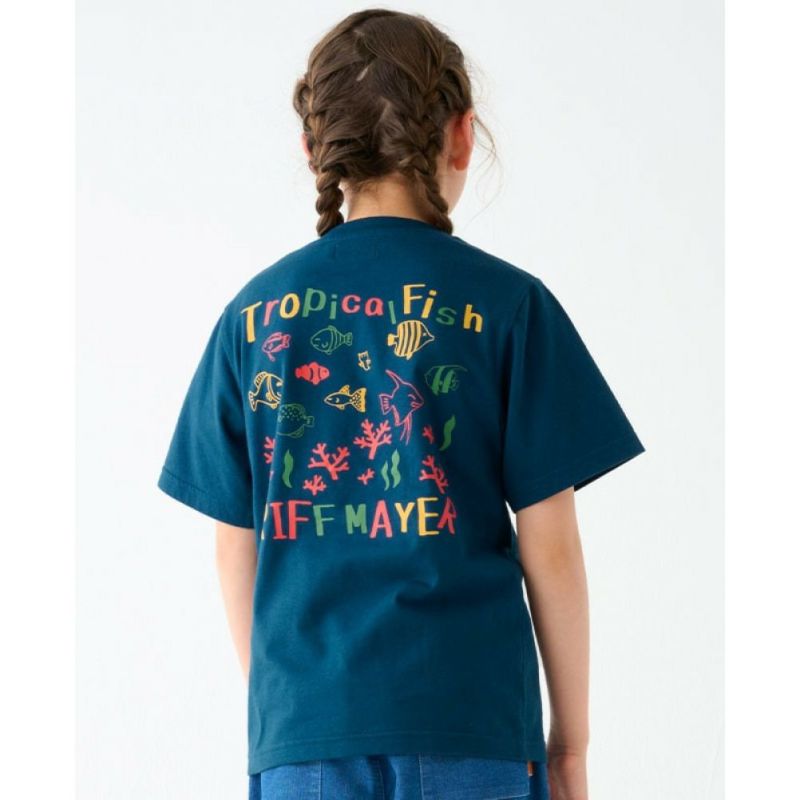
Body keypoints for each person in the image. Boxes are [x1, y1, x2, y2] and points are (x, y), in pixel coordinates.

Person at [157, 9, 644, 800]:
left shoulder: (252, 316)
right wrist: (572, 748)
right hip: (473, 725)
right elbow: (551, 548)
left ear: (314, 149)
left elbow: (234, 548)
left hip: (305, 738)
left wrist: (288, 711)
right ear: (462, 137)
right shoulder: (510, 306)